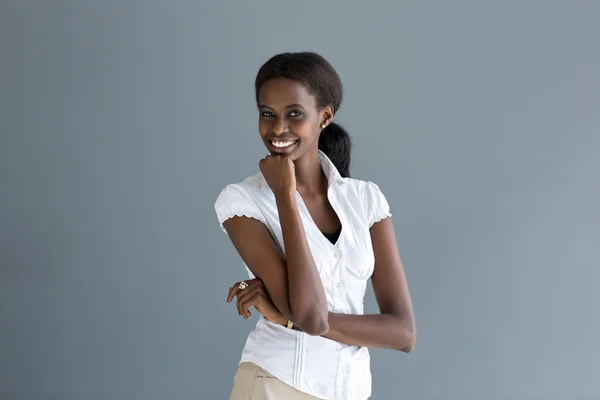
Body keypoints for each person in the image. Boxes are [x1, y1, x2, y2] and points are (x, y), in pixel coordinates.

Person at [214, 52, 416, 400]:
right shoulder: (241, 202)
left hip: (350, 390)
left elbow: (403, 332)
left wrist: (288, 318)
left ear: (324, 117)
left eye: (294, 114)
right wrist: (285, 196)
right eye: (267, 114)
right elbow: (310, 314)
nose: (278, 128)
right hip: (274, 384)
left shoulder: (366, 201)